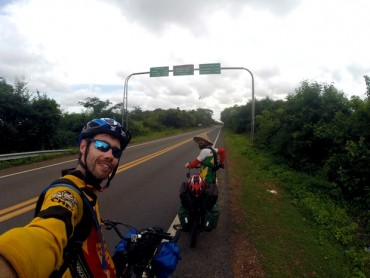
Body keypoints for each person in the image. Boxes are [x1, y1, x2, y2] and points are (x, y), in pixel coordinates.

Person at [0, 118, 131, 277]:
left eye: (116, 151)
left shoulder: (88, 190)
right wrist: (11, 261)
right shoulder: (67, 192)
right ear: (84, 146)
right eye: (102, 146)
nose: (110, 155)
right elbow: (47, 234)